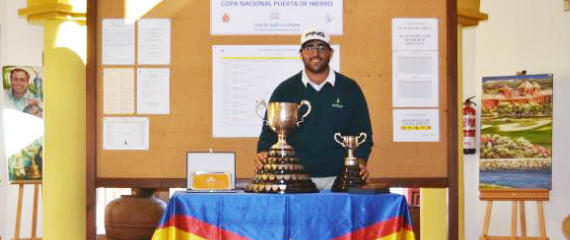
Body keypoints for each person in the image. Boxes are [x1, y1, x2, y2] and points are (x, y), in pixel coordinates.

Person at [255, 28, 374, 190]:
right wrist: (262, 152)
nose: (315, 53)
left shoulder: (349, 89)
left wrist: (359, 164)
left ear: (330, 53)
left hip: (341, 180)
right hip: (295, 180)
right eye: (309, 47)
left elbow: (363, 132)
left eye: (321, 47)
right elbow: (268, 133)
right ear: (301, 53)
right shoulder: (285, 89)